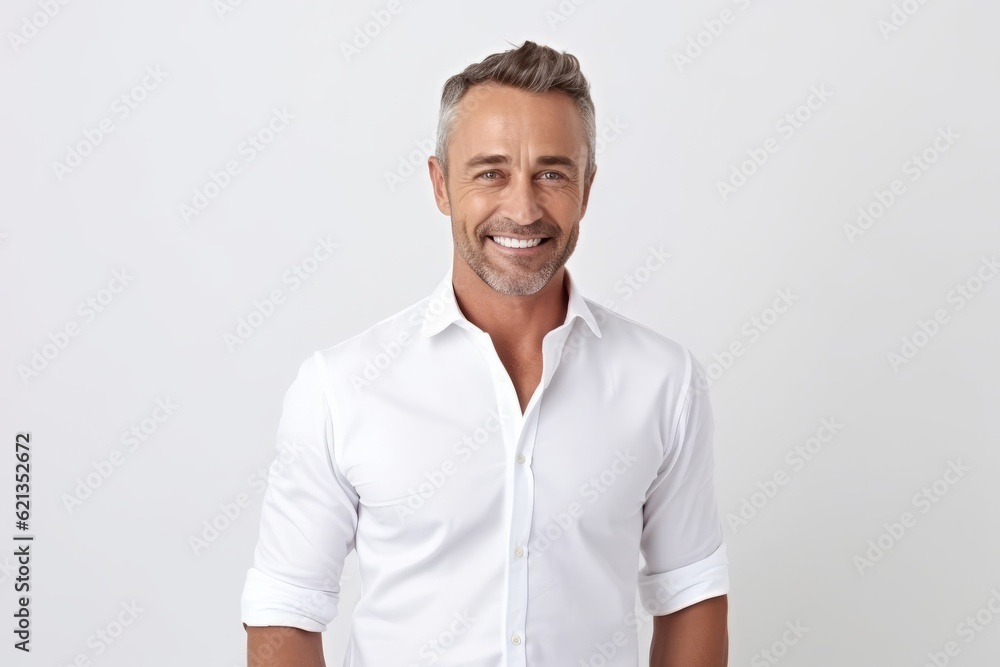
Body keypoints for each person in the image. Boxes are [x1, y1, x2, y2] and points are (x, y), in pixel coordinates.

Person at [241, 40, 729, 666]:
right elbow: (285, 609)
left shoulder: (665, 381)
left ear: (587, 188)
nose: (522, 208)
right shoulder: (340, 389)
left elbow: (690, 592)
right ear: (440, 185)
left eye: (552, 172)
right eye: (490, 172)